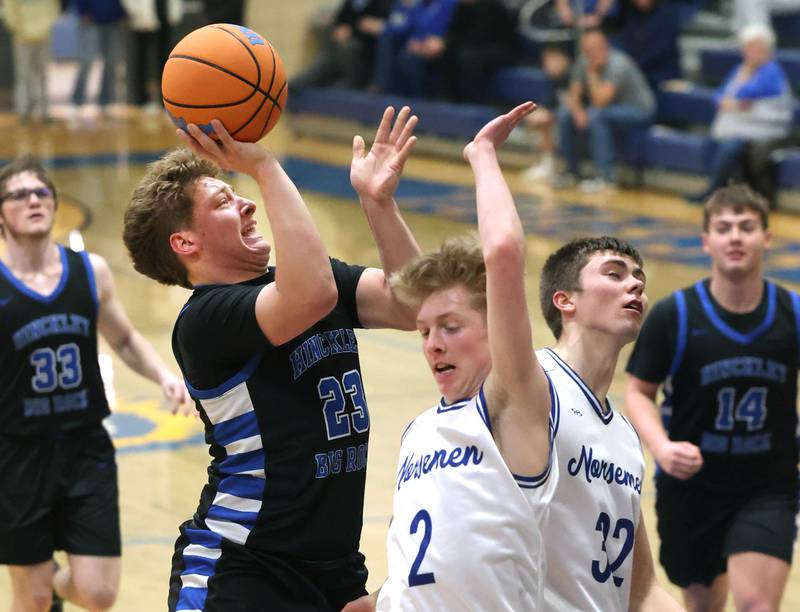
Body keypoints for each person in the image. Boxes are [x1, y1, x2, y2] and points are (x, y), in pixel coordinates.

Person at [347, 153, 682, 611]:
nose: (635, 287)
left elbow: (639, 586)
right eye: (615, 274)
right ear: (564, 300)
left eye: (639, 278)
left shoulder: (617, 433)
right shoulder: (530, 388)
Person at [122, 106, 422, 611]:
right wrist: (264, 166)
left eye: (239, 192)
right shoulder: (206, 321)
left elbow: (414, 304)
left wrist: (378, 203)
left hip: (333, 569)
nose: (246, 204)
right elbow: (310, 297)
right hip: (242, 569)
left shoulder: (308, 282)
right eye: (223, 200)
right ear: (185, 242)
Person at [342, 102, 557, 611]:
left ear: (495, 329)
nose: (433, 343)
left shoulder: (513, 405)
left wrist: (482, 155)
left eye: (452, 328)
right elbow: (431, 563)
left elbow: (502, 252)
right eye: (424, 333)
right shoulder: (419, 431)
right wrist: (377, 202)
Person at [0, 155, 189, 612]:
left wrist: (165, 375)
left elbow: (122, 337)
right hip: (17, 454)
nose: (33, 200)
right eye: (19, 194)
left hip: (86, 447)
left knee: (98, 594)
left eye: (42, 192)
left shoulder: (90, 271)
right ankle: (42, 587)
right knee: (33, 600)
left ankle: (50, 583)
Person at [625, 184, 798, 612]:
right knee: (704, 605)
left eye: (746, 227)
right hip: (691, 488)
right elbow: (638, 392)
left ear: (767, 238)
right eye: (723, 228)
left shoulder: (792, 313)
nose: (735, 236)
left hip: (768, 486)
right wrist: (662, 448)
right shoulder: (675, 315)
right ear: (706, 241)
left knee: (757, 605)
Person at [685, 24, 793, 209]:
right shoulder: (740, 69)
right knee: (710, 143)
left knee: (730, 147)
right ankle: (719, 190)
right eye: (747, 47)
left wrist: (736, 95)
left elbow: (745, 93)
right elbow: (720, 96)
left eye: (754, 47)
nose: (749, 52)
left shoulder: (770, 71)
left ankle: (713, 191)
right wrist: (732, 100)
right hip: (741, 125)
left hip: (765, 128)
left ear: (766, 49)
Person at [555, 27, 655, 192]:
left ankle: (606, 177)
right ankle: (572, 171)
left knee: (596, 116)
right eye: (588, 50)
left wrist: (592, 73)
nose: (592, 53)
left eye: (596, 48)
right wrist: (578, 112)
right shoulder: (584, 60)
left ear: (606, 46)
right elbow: (574, 95)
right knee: (565, 114)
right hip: (609, 110)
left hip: (639, 110)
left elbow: (600, 102)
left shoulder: (619, 64)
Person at [293, 0, 393, 90]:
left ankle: (351, 82)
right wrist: (338, 29)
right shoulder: (351, 3)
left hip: (364, 55)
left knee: (347, 48)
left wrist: (351, 31)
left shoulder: (383, 4)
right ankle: (298, 83)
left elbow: (376, 28)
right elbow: (340, 19)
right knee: (326, 57)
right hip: (341, 48)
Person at [3, 0, 61, 123]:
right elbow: (9, 11)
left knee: (43, 75)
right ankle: (24, 112)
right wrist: (19, 29)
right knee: (23, 76)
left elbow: (54, 8)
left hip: (44, 37)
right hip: (22, 38)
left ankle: (45, 112)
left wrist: (47, 27)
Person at [523, 43, 572, 181]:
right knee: (536, 116)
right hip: (563, 117)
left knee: (548, 119)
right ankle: (546, 162)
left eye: (552, 60)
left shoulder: (574, 76)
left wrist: (548, 115)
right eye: (546, 61)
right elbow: (548, 104)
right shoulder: (554, 80)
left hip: (576, 118)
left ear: (564, 59)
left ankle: (553, 165)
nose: (548, 65)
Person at [71, 0, 127, 117]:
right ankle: (77, 101)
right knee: (86, 61)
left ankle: (105, 101)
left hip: (113, 20)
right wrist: (83, 11)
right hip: (90, 20)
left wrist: (122, 12)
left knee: (110, 62)